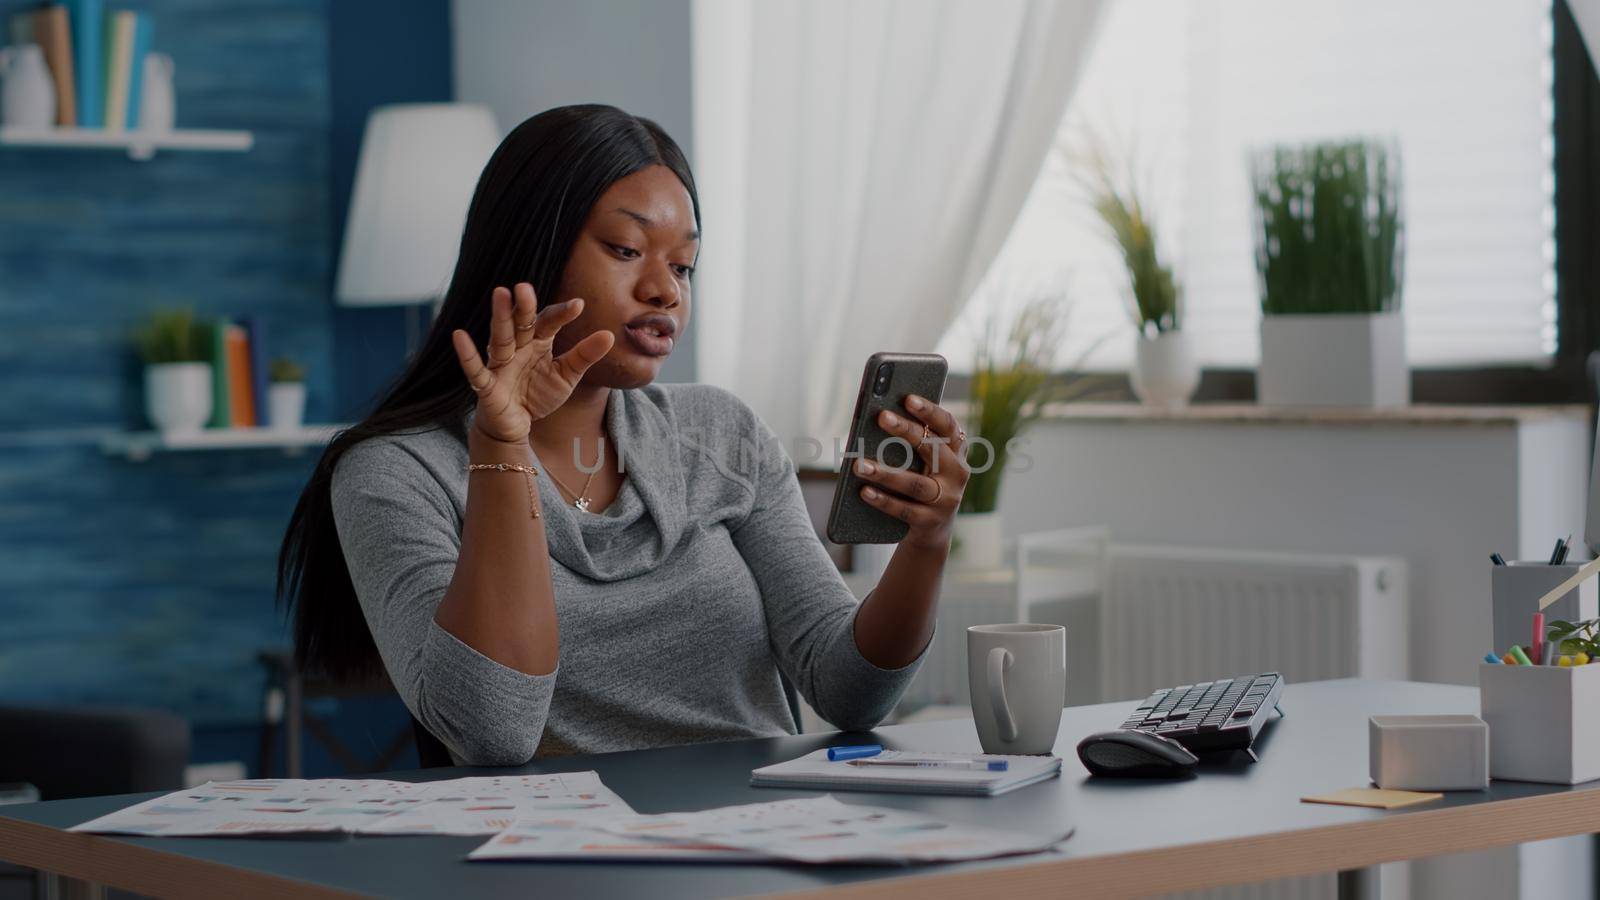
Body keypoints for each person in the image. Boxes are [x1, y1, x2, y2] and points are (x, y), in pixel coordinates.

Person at [277, 104, 969, 766]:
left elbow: (849, 689)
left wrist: (927, 543)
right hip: (559, 862)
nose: (665, 291)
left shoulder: (721, 433)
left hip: (765, 840)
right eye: (626, 248)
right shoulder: (395, 472)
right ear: (530, 249)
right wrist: (501, 446)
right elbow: (493, 731)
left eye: (683, 265)